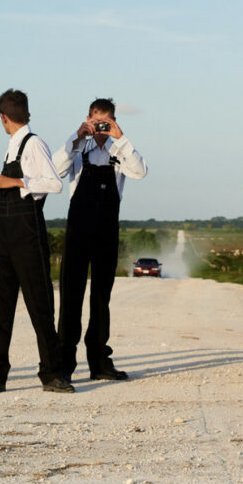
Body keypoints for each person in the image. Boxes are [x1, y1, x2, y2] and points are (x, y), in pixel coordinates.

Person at [0, 89, 73, 394]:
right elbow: (22, 188)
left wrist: (14, 181)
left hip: (29, 235)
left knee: (40, 304)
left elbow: (54, 184)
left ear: (3, 118)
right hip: (5, 236)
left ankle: (53, 373)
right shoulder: (11, 147)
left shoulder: (34, 144)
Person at [53, 98, 147, 382]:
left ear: (114, 122)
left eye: (106, 123)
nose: (101, 128)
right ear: (88, 119)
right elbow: (55, 170)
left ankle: (99, 361)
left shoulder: (120, 152)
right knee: (71, 293)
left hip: (107, 228)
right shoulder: (78, 149)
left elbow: (141, 172)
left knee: (101, 296)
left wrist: (122, 138)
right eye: (97, 122)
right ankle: (64, 362)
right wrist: (77, 135)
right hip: (79, 228)